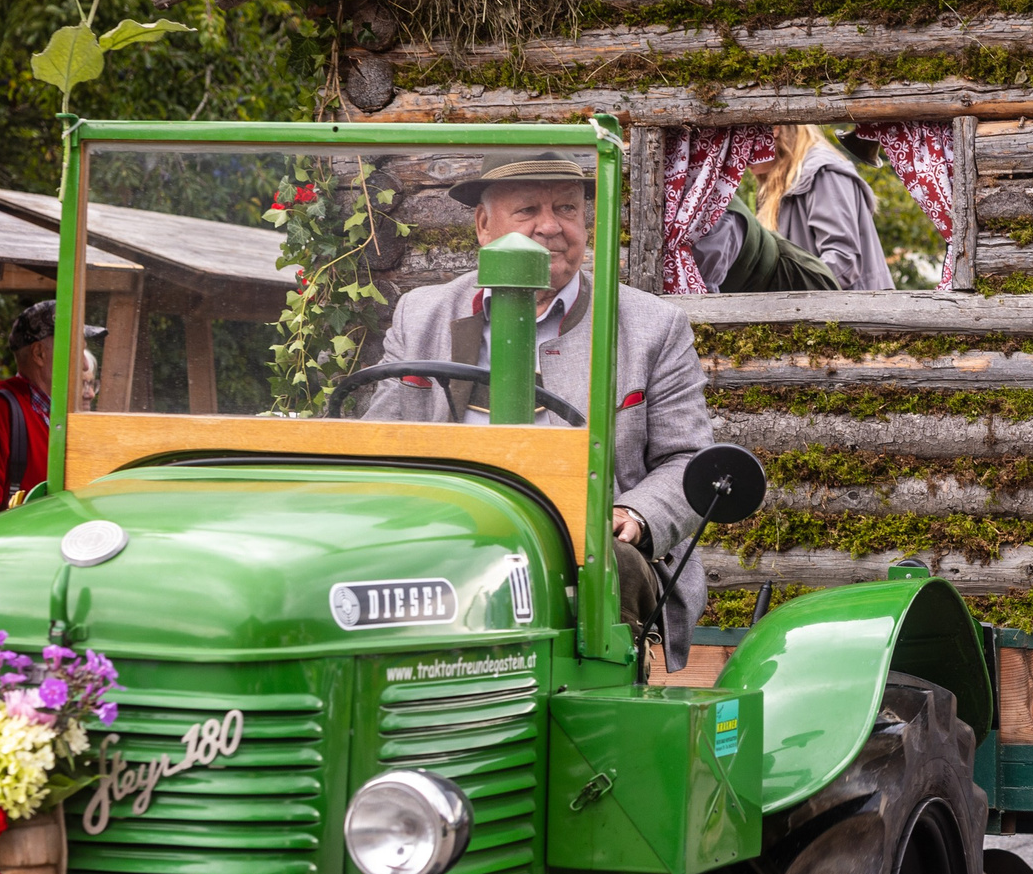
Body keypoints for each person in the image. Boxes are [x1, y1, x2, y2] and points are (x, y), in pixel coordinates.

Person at [363, 152, 713, 668]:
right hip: (443, 531)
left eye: (566, 208)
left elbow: (689, 461)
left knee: (606, 562)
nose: (550, 227)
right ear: (483, 226)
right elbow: (379, 443)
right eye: (527, 209)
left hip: (584, 550)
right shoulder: (422, 313)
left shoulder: (651, 326)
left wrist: (633, 515)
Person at [0, 299, 102, 526]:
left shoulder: (64, 415)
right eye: (76, 350)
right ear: (39, 354)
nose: (85, 365)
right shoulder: (0, 412)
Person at [747, 124, 893, 291]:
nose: (738, 155)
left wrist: (782, 290)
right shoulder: (779, 184)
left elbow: (842, 261)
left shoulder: (822, 172)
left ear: (775, 129)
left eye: (741, 139)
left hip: (852, 306)